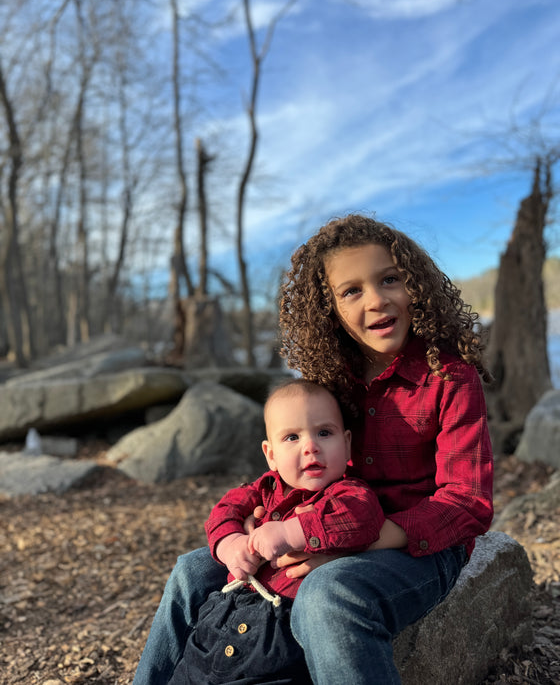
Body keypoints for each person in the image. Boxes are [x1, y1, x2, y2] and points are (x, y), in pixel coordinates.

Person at [133, 213, 494, 685]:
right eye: (352, 291)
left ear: (417, 285)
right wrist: (246, 529)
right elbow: (290, 468)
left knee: (328, 592)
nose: (377, 299)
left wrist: (347, 545)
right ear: (329, 309)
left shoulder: (449, 378)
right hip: (315, 525)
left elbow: (468, 504)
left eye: (390, 279)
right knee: (194, 569)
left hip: (417, 547)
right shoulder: (330, 380)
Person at [167, 379, 384, 684]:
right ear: (270, 454)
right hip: (222, 617)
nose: (311, 446)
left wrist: (290, 532)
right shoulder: (266, 487)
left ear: (347, 443)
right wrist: (231, 544)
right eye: (292, 437)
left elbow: (362, 518)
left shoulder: (348, 492)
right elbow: (225, 510)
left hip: (279, 628)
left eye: (324, 432)